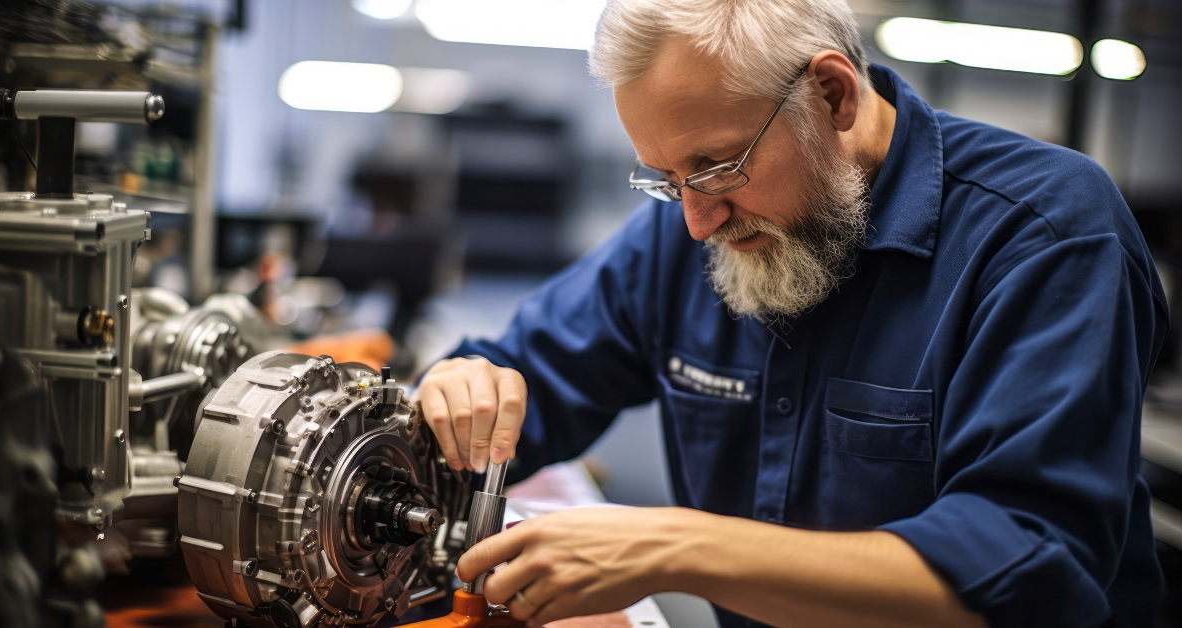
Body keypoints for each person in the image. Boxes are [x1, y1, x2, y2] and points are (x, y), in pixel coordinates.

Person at [415, 1, 1168, 626]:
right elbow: (530, 376)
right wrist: (467, 387)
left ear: (833, 95)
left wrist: (676, 548)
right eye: (668, 180)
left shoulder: (1044, 233)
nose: (698, 221)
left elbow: (1026, 567)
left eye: (716, 167)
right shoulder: (692, 226)